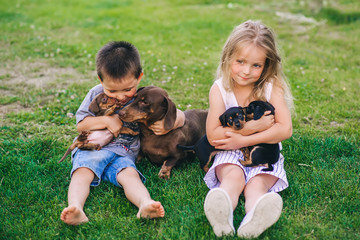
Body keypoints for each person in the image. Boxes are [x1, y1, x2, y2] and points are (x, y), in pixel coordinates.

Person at [60, 41, 185, 225]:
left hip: (124, 152)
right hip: (94, 149)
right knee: (83, 171)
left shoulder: (144, 96)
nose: (120, 96)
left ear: (139, 77)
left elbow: (177, 113)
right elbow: (81, 125)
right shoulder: (96, 93)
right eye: (112, 90)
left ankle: (145, 204)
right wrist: (106, 120)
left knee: (130, 176)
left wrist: (173, 124)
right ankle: (76, 207)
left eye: (127, 89)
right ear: (101, 80)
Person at [203, 20, 294, 238]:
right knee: (233, 177)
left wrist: (242, 140)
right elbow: (213, 135)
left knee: (257, 184)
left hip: (264, 152)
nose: (246, 71)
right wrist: (248, 130)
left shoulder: (272, 86)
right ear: (228, 58)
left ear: (267, 65)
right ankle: (221, 211)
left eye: (256, 65)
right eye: (240, 61)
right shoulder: (220, 90)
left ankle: (255, 216)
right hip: (230, 151)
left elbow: (285, 129)